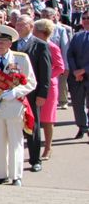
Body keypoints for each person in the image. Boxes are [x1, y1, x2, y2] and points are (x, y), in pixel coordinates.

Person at [0, 25, 36, 186]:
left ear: (10, 43)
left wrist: (16, 92)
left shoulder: (21, 59)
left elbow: (31, 82)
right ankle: (1, 174)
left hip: (14, 105)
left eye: (3, 42)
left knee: (15, 141)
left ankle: (16, 175)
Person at [13, 15, 51, 172]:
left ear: (31, 26)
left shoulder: (40, 45)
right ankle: (15, 159)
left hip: (33, 93)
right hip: (14, 92)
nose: (19, 27)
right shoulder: (12, 44)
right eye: (17, 25)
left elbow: (45, 71)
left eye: (22, 25)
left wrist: (43, 93)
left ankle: (35, 159)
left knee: (33, 126)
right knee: (15, 125)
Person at [33, 19, 66, 160]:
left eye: (35, 30)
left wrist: (45, 76)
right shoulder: (34, 45)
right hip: (34, 85)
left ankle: (48, 147)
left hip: (49, 87)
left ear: (42, 32)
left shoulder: (52, 47)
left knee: (47, 120)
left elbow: (60, 67)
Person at [66, 11, 89, 139]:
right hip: (77, 77)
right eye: (84, 18)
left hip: (86, 73)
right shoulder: (77, 36)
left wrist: (84, 70)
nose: (85, 20)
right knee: (77, 104)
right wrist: (75, 71)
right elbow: (70, 54)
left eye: (88, 18)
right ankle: (82, 126)